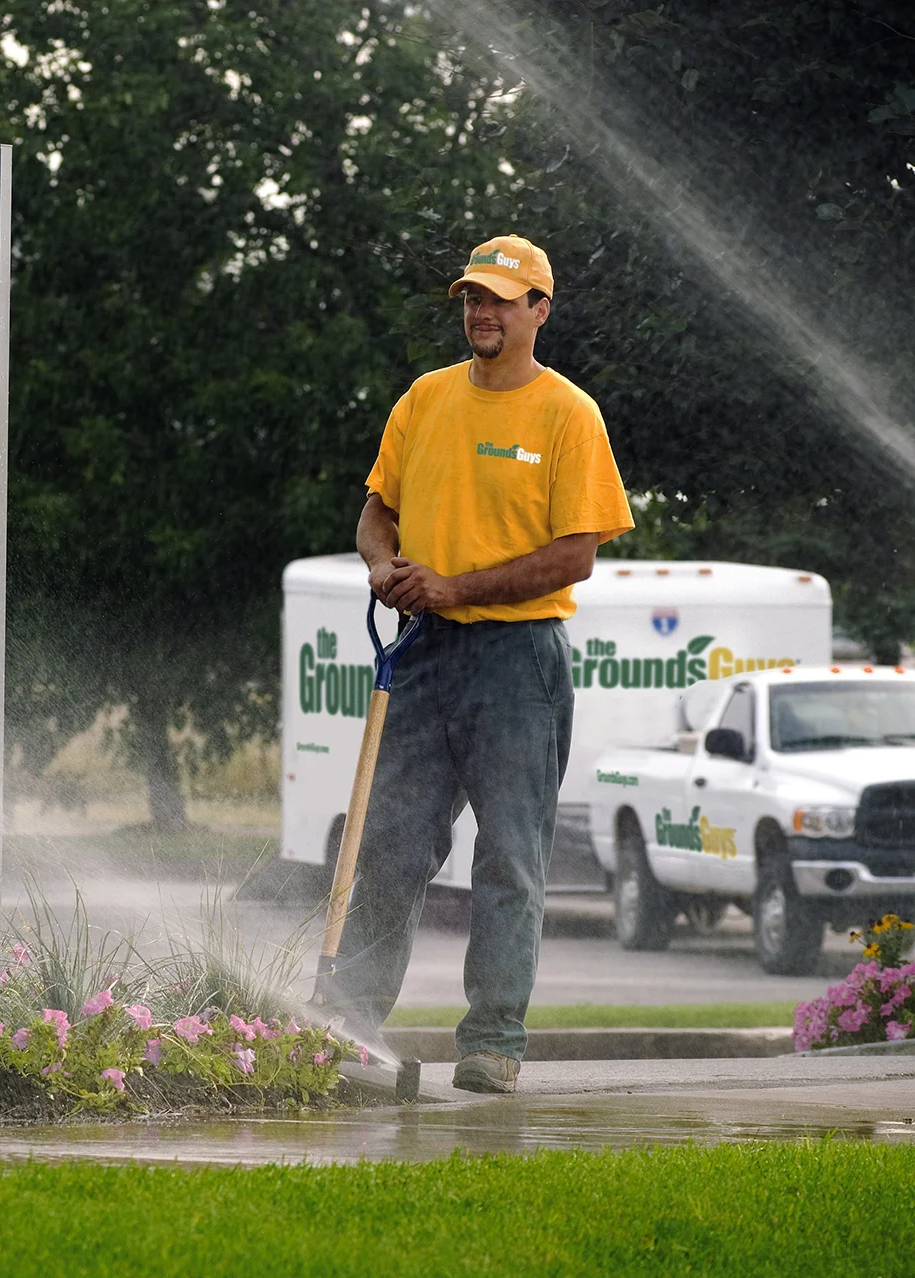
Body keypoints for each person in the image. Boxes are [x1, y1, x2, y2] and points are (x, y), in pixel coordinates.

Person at [332, 234, 634, 1094]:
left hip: (517, 661)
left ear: (540, 309)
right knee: (389, 845)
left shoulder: (568, 415)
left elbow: (575, 556)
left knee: (509, 858)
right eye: (473, 296)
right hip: (424, 653)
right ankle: (348, 1029)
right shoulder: (425, 400)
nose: (482, 311)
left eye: (502, 298)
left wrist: (457, 586)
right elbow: (376, 512)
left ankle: (493, 1043)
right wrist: (381, 564)